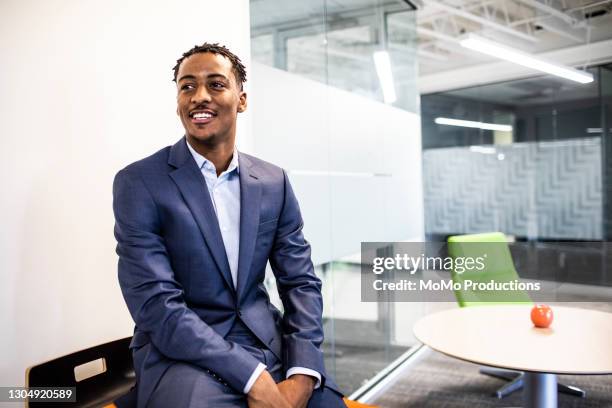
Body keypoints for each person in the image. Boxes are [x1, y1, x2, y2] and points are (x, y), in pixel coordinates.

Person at [112, 42, 346, 408]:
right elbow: (156, 305)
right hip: (184, 356)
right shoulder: (140, 182)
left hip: (267, 344)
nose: (198, 97)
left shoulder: (273, 181)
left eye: (216, 84)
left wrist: (302, 372)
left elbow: (300, 282)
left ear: (242, 99)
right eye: (187, 86)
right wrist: (252, 378)